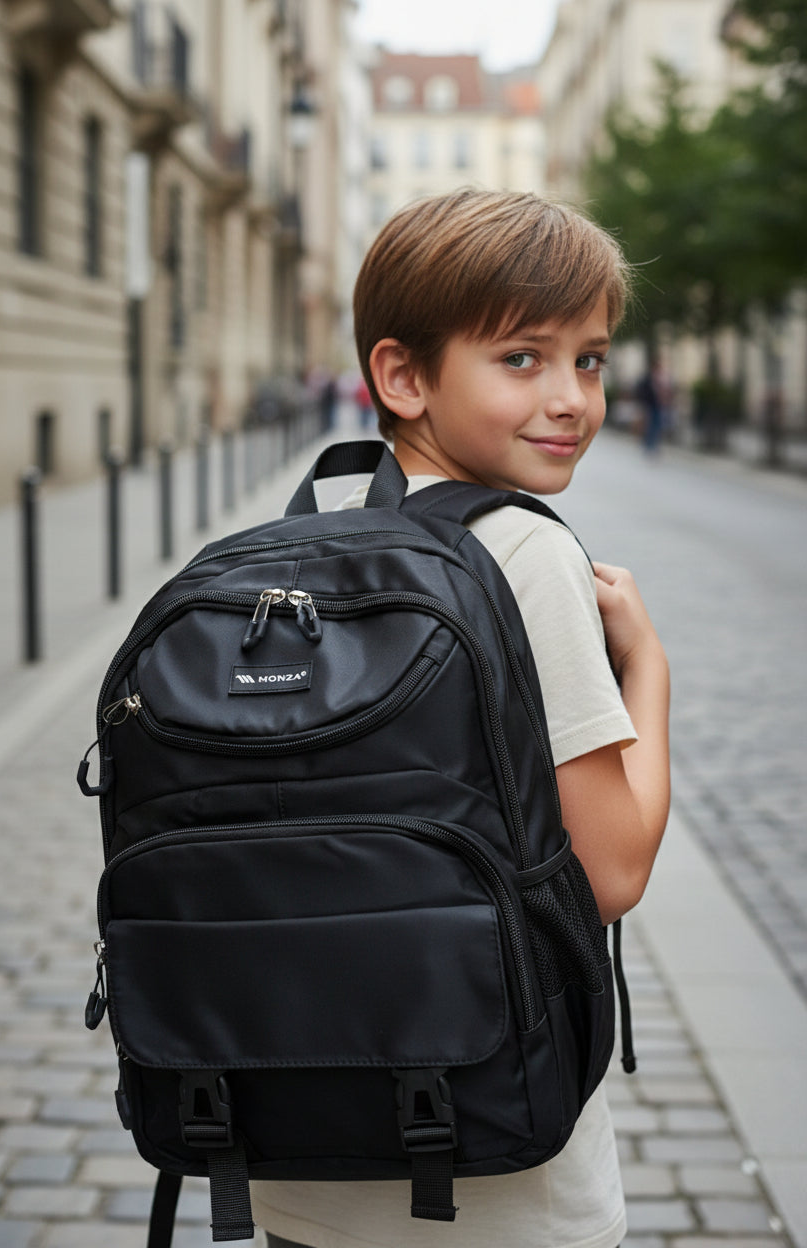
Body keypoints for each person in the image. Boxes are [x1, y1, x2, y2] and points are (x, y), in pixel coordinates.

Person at [253, 189, 671, 1248]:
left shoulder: (305, 540)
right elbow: (611, 872)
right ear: (402, 376)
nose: (571, 396)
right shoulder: (527, 555)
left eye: (589, 358)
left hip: (286, 1156)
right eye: (522, 359)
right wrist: (649, 672)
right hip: (494, 1180)